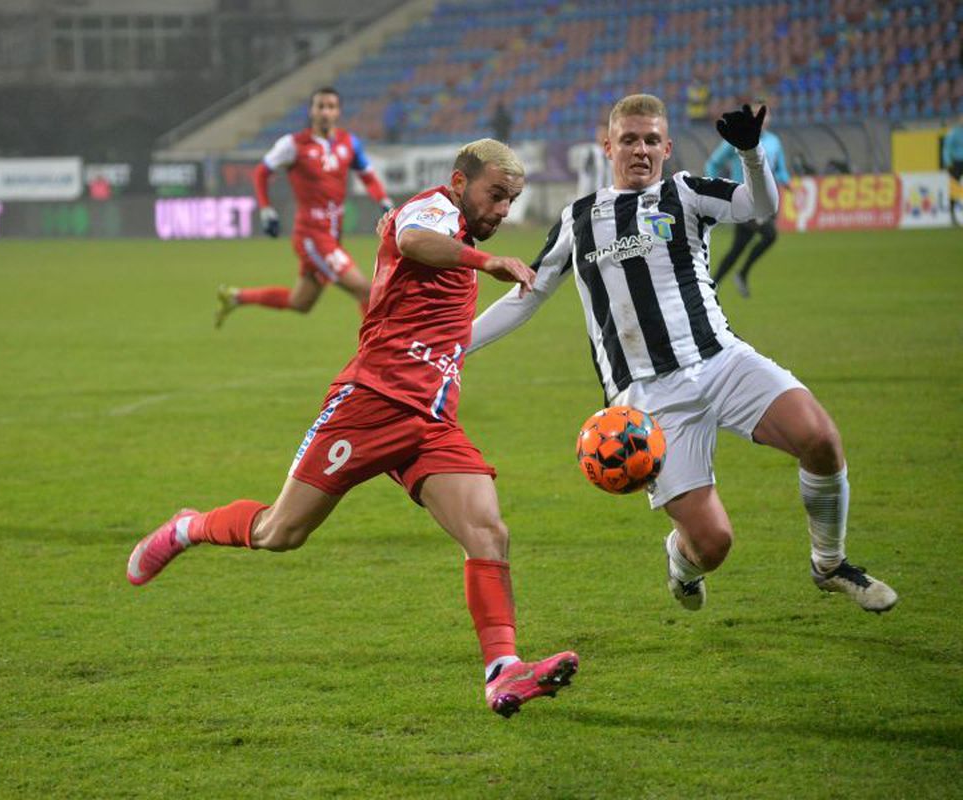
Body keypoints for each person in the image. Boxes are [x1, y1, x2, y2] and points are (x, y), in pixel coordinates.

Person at [131, 139, 579, 717]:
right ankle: (188, 527)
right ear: (459, 182)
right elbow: (411, 239)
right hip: (370, 403)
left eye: (511, 200)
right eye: (495, 195)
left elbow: (447, 318)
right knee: (281, 532)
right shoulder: (434, 210)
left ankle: (503, 670)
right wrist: (486, 262)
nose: (502, 210)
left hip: (430, 421)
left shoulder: (458, 234)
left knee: (488, 532)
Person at [471, 94, 897, 616]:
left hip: (721, 362)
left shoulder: (686, 192)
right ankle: (682, 561)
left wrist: (751, 154)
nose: (641, 150)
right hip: (648, 402)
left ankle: (830, 564)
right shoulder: (579, 219)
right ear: (608, 147)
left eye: (652, 140)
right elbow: (527, 295)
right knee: (713, 545)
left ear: (667, 147)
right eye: (629, 139)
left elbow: (759, 206)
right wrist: (456, 344)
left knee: (821, 439)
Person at [215, 87, 393, 327]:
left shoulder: (349, 143)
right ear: (311, 111)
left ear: (338, 112)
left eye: (331, 107)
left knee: (301, 302)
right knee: (364, 290)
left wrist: (383, 200)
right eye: (320, 106)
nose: (325, 112)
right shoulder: (293, 144)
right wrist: (266, 209)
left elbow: (368, 177)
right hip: (312, 236)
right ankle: (375, 348)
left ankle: (236, 297)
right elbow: (261, 172)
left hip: (332, 234)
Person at [706, 101, 792, 297]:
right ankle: (741, 273)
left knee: (738, 248)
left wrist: (785, 180)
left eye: (764, 114)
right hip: (744, 199)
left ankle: (712, 286)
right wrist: (713, 185)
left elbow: (780, 168)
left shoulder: (774, 141)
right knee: (770, 235)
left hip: (766, 201)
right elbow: (713, 163)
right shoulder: (737, 137)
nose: (761, 118)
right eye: (755, 113)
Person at [567, 123, 612, 201]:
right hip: (591, 196)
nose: (601, 135)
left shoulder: (615, 153)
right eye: (599, 133)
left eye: (604, 132)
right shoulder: (588, 152)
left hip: (609, 197)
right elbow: (583, 174)